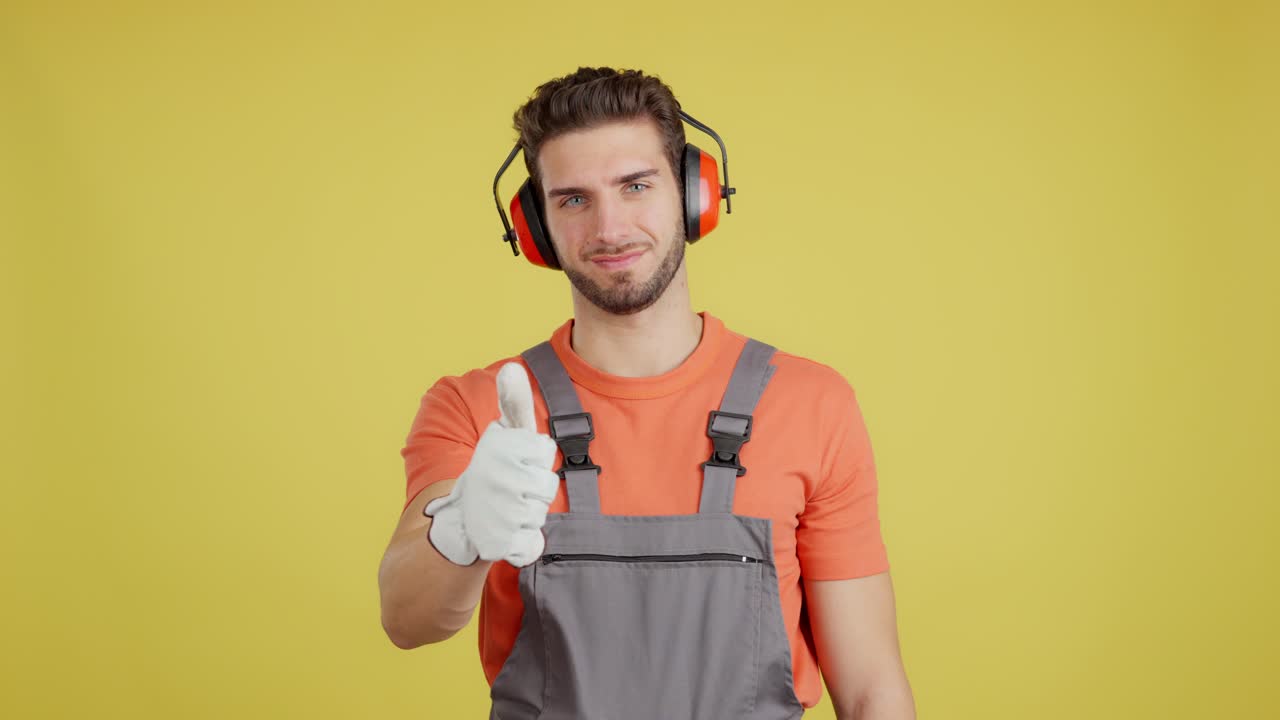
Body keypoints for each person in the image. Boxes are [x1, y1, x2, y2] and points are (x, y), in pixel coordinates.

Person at [378, 66, 915, 720]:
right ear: (536, 227)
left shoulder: (812, 404)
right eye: (573, 200)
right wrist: (460, 530)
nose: (609, 228)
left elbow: (871, 690)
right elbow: (406, 619)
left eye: (635, 186)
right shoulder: (478, 406)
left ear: (694, 195)